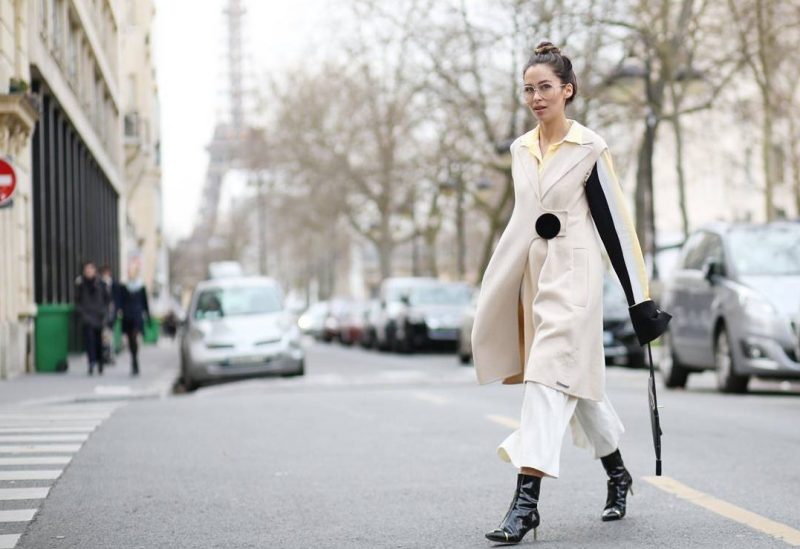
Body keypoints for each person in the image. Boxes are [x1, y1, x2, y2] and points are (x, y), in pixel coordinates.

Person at [471, 41, 671, 544]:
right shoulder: (520, 149)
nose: (536, 97)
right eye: (528, 90)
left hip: (574, 283)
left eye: (545, 88)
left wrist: (639, 301)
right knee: (579, 388)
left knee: (544, 380)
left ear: (568, 90)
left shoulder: (590, 149)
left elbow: (616, 229)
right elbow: (520, 221)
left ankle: (525, 502)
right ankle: (618, 473)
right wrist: (500, 282)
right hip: (533, 281)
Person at [75, 261, 110, 376]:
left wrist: (104, 312)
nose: (88, 272)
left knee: (98, 342)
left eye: (90, 269)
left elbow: (107, 300)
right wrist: (82, 313)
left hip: (98, 317)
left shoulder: (101, 284)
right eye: (86, 270)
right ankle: (91, 362)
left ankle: (100, 362)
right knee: (89, 341)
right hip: (87, 317)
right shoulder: (81, 284)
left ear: (94, 270)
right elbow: (77, 300)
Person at [116, 260, 150, 376]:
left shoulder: (141, 286)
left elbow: (145, 303)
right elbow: (119, 301)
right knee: (130, 340)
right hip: (127, 316)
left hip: (137, 316)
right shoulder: (123, 286)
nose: (130, 273)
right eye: (129, 271)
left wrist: (148, 317)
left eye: (132, 271)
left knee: (135, 338)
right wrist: (118, 312)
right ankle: (133, 359)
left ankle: (135, 361)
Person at [100, 265, 117, 365]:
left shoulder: (113, 285)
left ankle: (109, 355)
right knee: (104, 337)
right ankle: (105, 356)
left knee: (109, 337)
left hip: (110, 316)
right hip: (102, 315)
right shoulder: (100, 285)